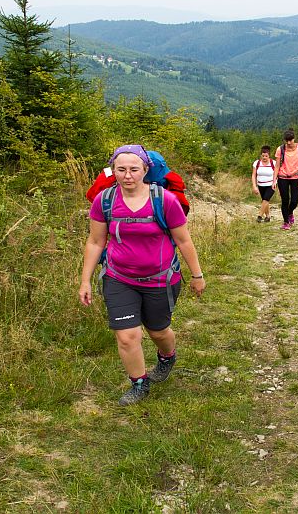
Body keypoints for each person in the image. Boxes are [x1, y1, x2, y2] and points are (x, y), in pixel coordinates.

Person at [79, 145, 206, 406]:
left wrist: (197, 275)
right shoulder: (104, 201)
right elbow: (95, 242)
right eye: (121, 169)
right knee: (127, 336)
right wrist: (85, 280)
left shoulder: (164, 200)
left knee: (158, 331)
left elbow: (184, 241)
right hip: (118, 277)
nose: (128, 175)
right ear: (113, 171)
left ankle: (167, 356)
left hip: (160, 279)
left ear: (145, 170)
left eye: (134, 169)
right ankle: (139, 383)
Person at [273, 128, 298, 230]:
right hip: (283, 177)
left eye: (290, 140)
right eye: (286, 140)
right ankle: (286, 222)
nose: (288, 142)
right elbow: (277, 166)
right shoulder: (280, 149)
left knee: (294, 201)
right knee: (285, 200)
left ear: (294, 138)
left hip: (296, 177)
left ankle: (290, 212)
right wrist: (274, 180)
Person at [251, 145, 276, 222]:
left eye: (266, 156)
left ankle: (259, 216)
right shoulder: (257, 163)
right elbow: (253, 175)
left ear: (269, 156)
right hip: (261, 185)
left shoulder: (273, 163)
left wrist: (274, 182)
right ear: (261, 155)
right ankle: (268, 217)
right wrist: (254, 186)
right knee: (265, 201)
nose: (264, 157)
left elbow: (277, 174)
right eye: (263, 156)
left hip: (271, 185)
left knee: (265, 199)